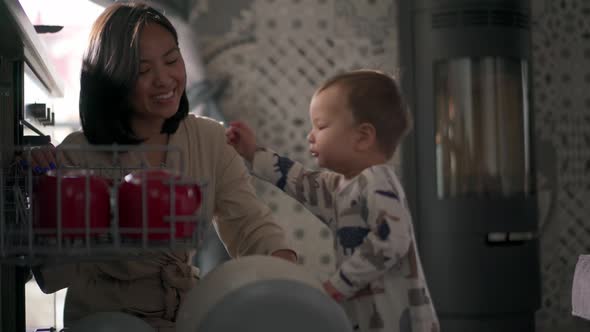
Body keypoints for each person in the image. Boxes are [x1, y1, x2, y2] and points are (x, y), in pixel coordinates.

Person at [27, 3, 296, 331]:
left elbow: (250, 225)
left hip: (183, 316)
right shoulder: (75, 156)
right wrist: (53, 197)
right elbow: (52, 276)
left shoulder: (208, 138)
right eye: (143, 71)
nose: (165, 79)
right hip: (104, 322)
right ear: (111, 78)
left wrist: (288, 278)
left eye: (171, 60)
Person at [226, 70, 439, 332]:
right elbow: (300, 181)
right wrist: (252, 153)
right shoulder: (339, 187)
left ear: (362, 137)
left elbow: (392, 239)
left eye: (321, 125)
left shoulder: (377, 183)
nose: (310, 136)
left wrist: (336, 286)